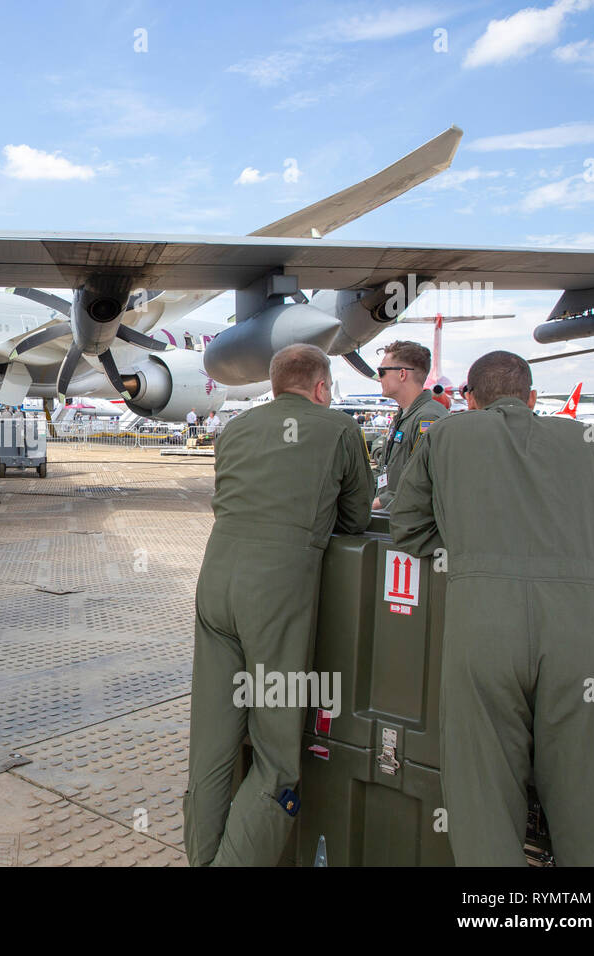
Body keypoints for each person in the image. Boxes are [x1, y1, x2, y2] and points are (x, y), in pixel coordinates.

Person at [391, 351, 594, 865]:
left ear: (474, 401)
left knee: (482, 802)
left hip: (483, 631)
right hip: (586, 636)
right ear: (532, 398)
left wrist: (475, 553)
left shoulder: (446, 437)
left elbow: (408, 527)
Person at [184, 344, 372, 866]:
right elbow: (356, 517)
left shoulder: (236, 427)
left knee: (213, 747)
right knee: (276, 758)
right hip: (275, 598)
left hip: (216, 582)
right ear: (320, 387)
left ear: (273, 384)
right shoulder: (338, 429)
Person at [372, 340, 444, 511]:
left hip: (409, 523)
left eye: (382, 372)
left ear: (402, 374)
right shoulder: (404, 416)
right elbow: (386, 470)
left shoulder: (427, 418)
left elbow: (423, 484)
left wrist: (380, 502)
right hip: (394, 515)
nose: (378, 378)